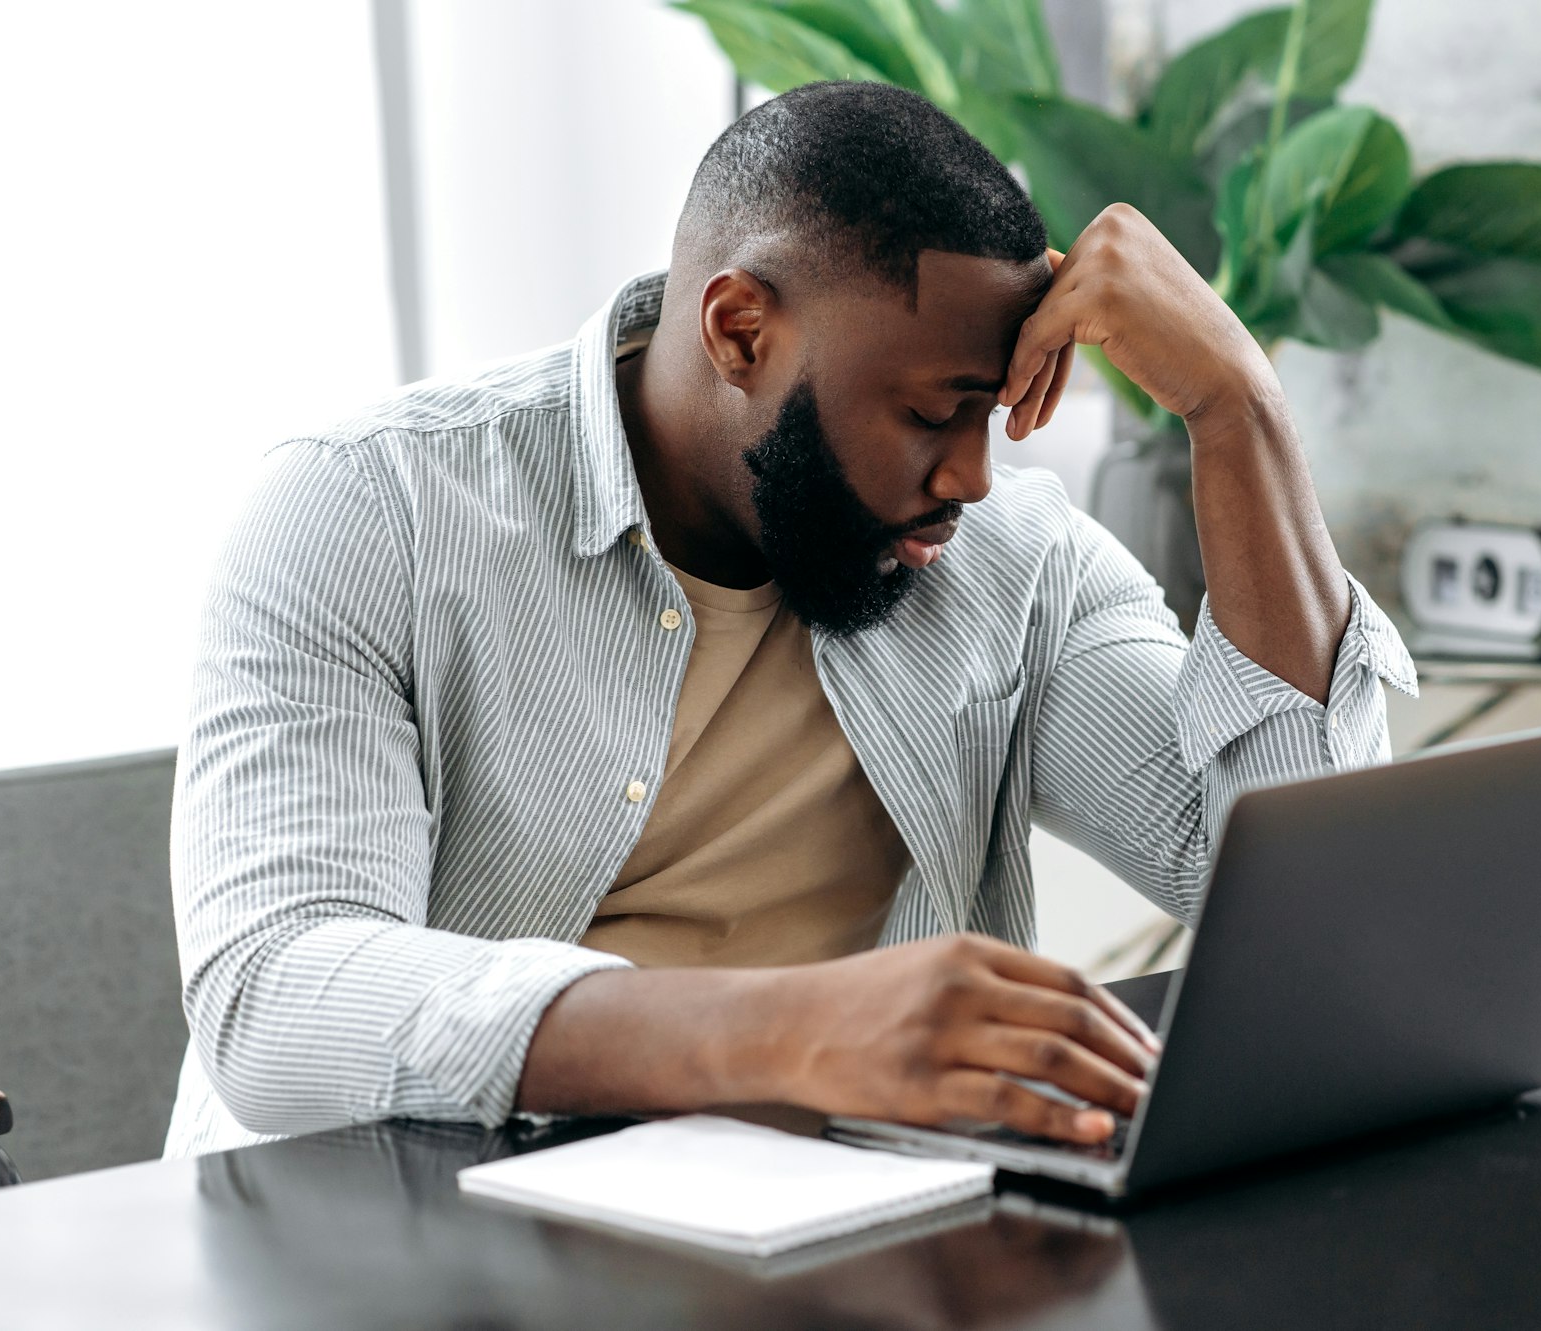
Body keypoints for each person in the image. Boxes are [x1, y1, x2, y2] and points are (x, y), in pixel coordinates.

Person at [164, 81, 1415, 1159]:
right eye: (934, 412)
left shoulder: (1008, 560)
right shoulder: (369, 511)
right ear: (739, 329)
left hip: (846, 1233)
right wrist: (791, 1028)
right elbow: (273, 997)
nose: (974, 475)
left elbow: (1303, 898)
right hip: (413, 1232)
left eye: (996, 414)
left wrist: (1234, 409)